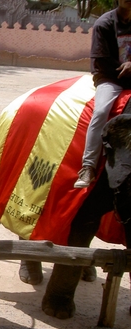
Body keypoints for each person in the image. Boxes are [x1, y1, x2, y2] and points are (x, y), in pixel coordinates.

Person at [75, 0, 131, 188]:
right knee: (100, 112)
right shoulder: (104, 24)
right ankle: (88, 166)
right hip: (110, 77)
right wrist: (124, 68)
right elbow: (101, 60)